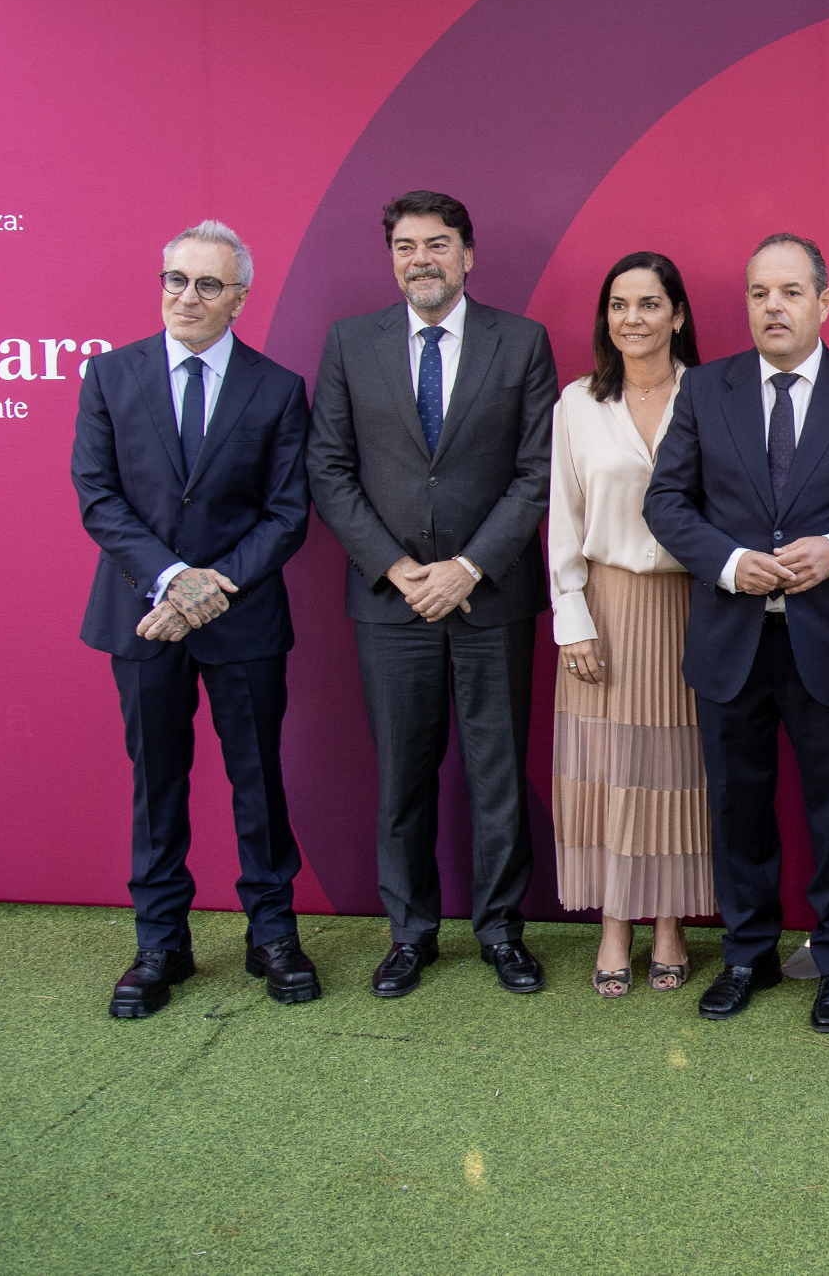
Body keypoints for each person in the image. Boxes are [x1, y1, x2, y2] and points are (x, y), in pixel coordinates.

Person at [644, 233, 829, 1030]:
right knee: (737, 806)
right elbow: (666, 503)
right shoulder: (706, 390)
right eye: (760, 292)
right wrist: (728, 563)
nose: (774, 306)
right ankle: (748, 952)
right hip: (730, 637)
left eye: (791, 291)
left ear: (824, 302)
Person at [307, 189, 558, 998]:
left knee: (496, 772)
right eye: (408, 245)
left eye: (439, 243)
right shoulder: (350, 344)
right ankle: (410, 934)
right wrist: (396, 566)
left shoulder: (520, 343)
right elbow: (329, 468)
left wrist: (469, 567)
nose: (423, 258)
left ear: (468, 254)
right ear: (392, 258)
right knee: (402, 777)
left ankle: (500, 931)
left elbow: (536, 470)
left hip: (491, 598)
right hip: (391, 601)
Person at [72, 221, 317, 1018]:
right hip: (141, 617)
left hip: (243, 621)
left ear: (240, 299)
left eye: (208, 284)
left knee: (258, 782)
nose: (187, 295)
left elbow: (286, 514)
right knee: (157, 785)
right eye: (175, 278)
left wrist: (216, 587)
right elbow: (98, 497)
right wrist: (177, 582)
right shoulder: (109, 376)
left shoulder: (277, 388)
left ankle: (272, 933)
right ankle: (160, 943)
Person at [549, 251, 713, 998]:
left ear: (677, 314)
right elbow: (563, 517)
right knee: (612, 769)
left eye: (649, 304)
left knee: (676, 772)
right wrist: (571, 617)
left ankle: (671, 920)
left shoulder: (710, 395)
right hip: (604, 612)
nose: (633, 319)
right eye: (619, 304)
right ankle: (615, 921)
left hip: (692, 605)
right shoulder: (577, 402)